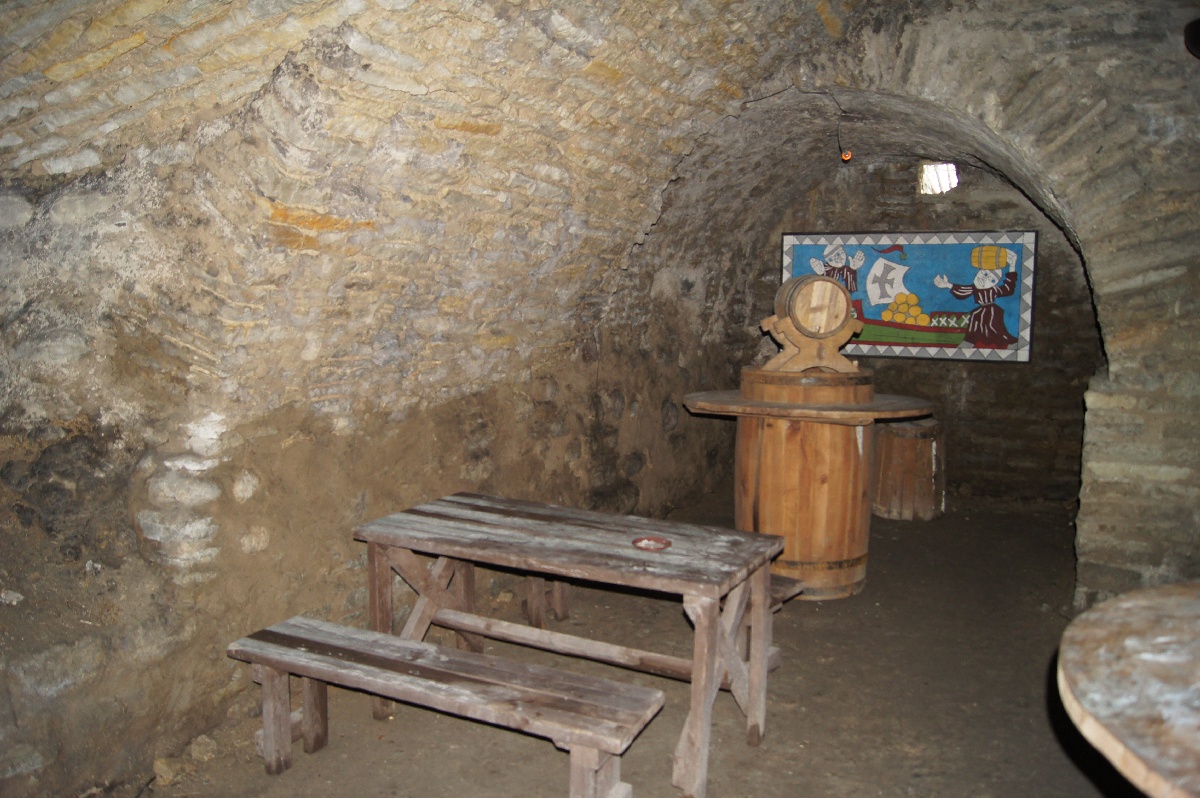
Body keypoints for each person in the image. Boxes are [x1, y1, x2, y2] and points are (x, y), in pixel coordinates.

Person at [933, 247, 1018, 349]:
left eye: (991, 279)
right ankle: (969, 342)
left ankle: (1005, 343)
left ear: (995, 283)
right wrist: (948, 285)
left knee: (994, 327)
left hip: (993, 311)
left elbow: (1008, 288)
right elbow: (963, 291)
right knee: (975, 322)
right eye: (985, 274)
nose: (984, 279)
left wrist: (1012, 266)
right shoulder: (975, 288)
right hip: (979, 312)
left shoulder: (994, 290)